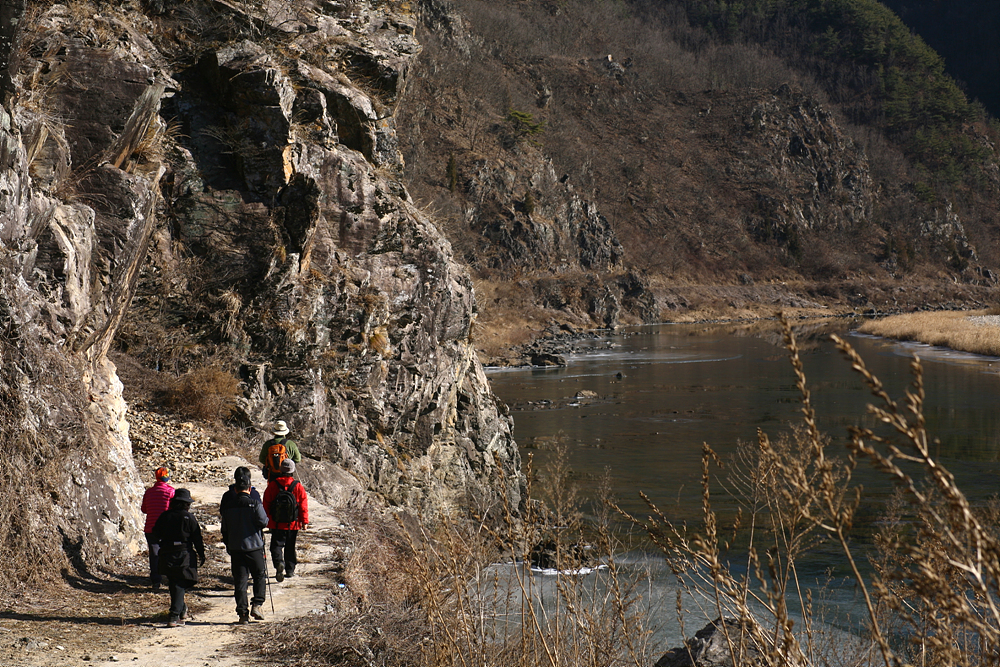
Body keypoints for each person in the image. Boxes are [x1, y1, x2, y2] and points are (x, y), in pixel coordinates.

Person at [219, 467, 269, 624]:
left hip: (236, 547)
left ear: (235, 488)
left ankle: (242, 614)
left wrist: (229, 544)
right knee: (259, 575)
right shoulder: (254, 503)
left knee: (240, 581)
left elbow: (224, 529)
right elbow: (264, 522)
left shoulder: (228, 506)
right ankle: (257, 604)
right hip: (254, 546)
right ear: (249, 487)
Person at [152, 488, 206, 628]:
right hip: (184, 553)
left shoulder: (165, 516)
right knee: (180, 583)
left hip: (167, 552)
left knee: (174, 582)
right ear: (186, 504)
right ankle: (174, 615)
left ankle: (181, 610)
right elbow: (197, 539)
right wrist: (201, 554)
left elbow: (155, 534)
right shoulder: (189, 518)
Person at [263, 458, 308, 582]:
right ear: (292, 471)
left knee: (276, 546)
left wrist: (265, 520)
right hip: (293, 524)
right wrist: (304, 522)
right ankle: (290, 570)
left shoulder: (273, 485)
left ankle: (279, 564)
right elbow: (303, 505)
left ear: (281, 470)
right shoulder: (298, 486)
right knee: (290, 546)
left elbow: (266, 503)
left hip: (276, 523)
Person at [140, 467, 175, 591]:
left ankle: (156, 580)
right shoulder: (171, 492)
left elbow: (143, 509)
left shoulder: (149, 492)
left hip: (151, 527)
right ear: (168, 477)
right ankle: (169, 577)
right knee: (169, 553)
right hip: (167, 528)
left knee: (154, 554)